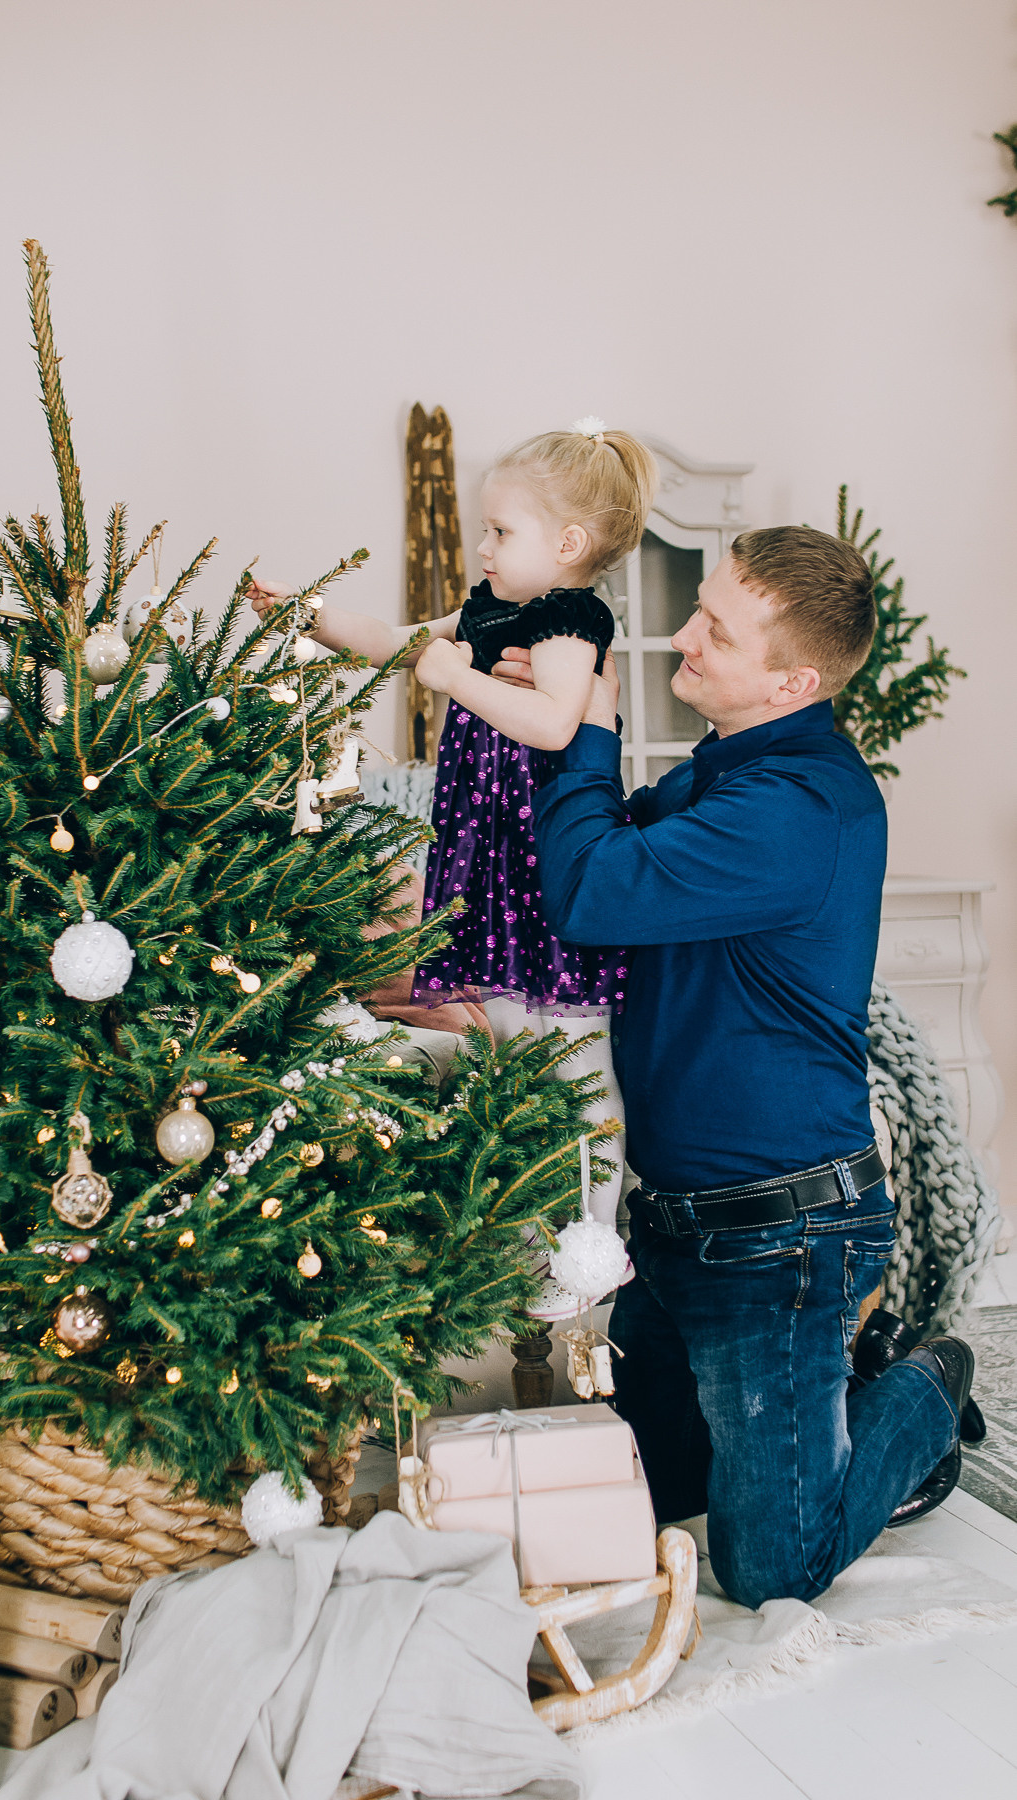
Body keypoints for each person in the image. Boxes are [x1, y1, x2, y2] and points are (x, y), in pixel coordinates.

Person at [505, 524, 978, 1608]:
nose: (682, 633)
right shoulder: (721, 778)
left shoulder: (794, 810)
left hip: (782, 1240)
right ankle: (824, 1410)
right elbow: (595, 864)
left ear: (791, 678)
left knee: (769, 1568)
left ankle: (923, 1383)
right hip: (677, 1226)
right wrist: (548, 726)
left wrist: (590, 725)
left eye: (714, 627)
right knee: (639, 1502)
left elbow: (590, 889)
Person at [251, 419, 658, 1315]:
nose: (482, 545)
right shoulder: (487, 610)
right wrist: (310, 618)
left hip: (545, 865)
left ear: (568, 545)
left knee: (577, 1065)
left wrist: (449, 673)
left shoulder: (568, 619)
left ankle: (593, 1247)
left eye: (501, 532)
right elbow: (401, 640)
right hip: (491, 868)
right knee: (510, 1052)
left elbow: (554, 723)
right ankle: (526, 1233)